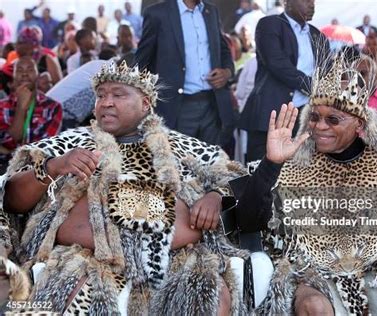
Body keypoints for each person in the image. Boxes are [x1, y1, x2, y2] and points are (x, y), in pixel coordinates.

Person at [0, 61, 247, 314]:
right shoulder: (69, 144)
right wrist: (53, 166)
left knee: (213, 299)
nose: (106, 102)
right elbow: (10, 198)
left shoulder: (185, 148)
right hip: (85, 260)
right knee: (67, 292)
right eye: (100, 95)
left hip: (177, 261)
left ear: (145, 104)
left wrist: (217, 195)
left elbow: (234, 177)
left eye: (118, 94)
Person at [236, 52, 377, 315]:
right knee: (314, 307)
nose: (319, 127)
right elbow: (247, 222)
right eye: (314, 117)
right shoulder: (291, 167)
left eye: (333, 119)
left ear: (359, 124)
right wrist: (271, 163)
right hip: (309, 274)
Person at [135, 0, 235, 148]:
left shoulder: (211, 11)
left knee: (212, 165)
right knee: (179, 165)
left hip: (213, 105)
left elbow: (224, 50)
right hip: (176, 107)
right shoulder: (158, 13)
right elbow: (142, 61)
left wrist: (227, 72)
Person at [239, 0, 330, 162]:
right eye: (306, 0)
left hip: (305, 118)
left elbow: (327, 71)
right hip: (271, 115)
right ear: (286, 2)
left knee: (298, 177)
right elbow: (277, 64)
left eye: (313, 0)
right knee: (261, 174)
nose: (311, 4)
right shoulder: (269, 25)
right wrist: (313, 86)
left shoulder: (318, 36)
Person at [0, 56, 62, 173]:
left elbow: (42, 150)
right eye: (19, 70)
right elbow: (8, 142)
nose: (24, 74)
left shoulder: (52, 107)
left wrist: (7, 151)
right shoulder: (1, 107)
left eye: (30, 69)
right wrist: (21, 108)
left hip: (36, 176)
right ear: (13, 77)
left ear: (38, 75)